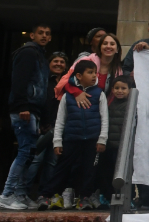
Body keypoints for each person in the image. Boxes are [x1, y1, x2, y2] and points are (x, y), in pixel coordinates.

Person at [35, 60, 108, 211]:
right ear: (79, 76)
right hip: (71, 138)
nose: (94, 75)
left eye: (95, 72)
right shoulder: (68, 96)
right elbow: (60, 120)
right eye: (90, 72)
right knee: (61, 168)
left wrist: (102, 139)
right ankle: (46, 196)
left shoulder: (99, 94)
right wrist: (57, 142)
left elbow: (104, 118)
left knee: (89, 170)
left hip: (92, 139)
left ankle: (85, 198)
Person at [2, 24, 51, 210]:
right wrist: (22, 106)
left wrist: (44, 119)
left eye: (47, 33)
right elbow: (19, 81)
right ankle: (7, 194)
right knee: (25, 151)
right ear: (32, 35)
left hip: (33, 111)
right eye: (41, 33)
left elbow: (43, 89)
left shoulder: (40, 56)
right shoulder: (28, 53)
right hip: (25, 110)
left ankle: (20, 194)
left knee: (30, 152)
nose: (44, 36)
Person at [23, 52, 69, 190]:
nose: (58, 64)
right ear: (49, 64)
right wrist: (41, 123)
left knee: (52, 162)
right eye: (55, 61)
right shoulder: (41, 80)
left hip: (58, 129)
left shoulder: (68, 84)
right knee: (35, 161)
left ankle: (46, 194)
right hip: (41, 127)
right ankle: (23, 192)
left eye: (62, 62)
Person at [91, 76, 134, 211]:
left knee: (125, 176)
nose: (119, 91)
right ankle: (108, 196)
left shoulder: (132, 105)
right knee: (107, 173)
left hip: (124, 147)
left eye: (123, 88)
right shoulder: (108, 103)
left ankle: (127, 198)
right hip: (109, 146)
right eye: (116, 88)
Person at [57, 34, 123, 103]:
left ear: (117, 49)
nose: (108, 46)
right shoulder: (85, 61)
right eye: (105, 43)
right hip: (77, 104)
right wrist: (77, 92)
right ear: (100, 47)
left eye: (112, 44)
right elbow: (67, 81)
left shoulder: (118, 71)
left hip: (101, 109)